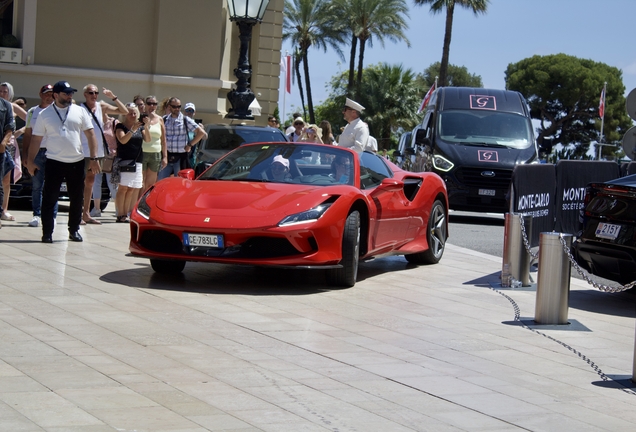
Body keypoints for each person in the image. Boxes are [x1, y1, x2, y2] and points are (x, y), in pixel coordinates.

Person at [26, 81, 101, 243]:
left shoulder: (79, 111)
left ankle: (74, 230)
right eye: (66, 93)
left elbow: (91, 135)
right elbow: (36, 139)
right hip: (54, 161)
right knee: (49, 198)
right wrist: (30, 161)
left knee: (76, 198)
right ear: (56, 95)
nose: (70, 96)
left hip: (76, 161)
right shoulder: (45, 115)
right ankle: (47, 233)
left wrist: (94, 158)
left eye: (71, 93)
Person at [80, 84, 128, 223]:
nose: (94, 95)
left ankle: (86, 213)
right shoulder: (79, 109)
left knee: (90, 181)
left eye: (96, 93)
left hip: (98, 151)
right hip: (81, 151)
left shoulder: (101, 107)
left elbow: (123, 111)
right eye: (90, 93)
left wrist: (113, 97)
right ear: (85, 94)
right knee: (79, 183)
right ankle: (78, 214)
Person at [22, 84, 56, 227]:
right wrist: (25, 155)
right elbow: (28, 134)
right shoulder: (32, 112)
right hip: (37, 152)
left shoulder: (57, 111)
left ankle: (51, 215)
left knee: (53, 185)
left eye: (51, 94)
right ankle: (37, 214)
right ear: (41, 95)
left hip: (53, 152)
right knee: (37, 185)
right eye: (46, 93)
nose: (49, 96)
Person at [113, 103, 150, 222]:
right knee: (123, 188)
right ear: (125, 114)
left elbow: (148, 140)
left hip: (138, 161)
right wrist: (132, 130)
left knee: (133, 188)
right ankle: (120, 214)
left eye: (135, 113)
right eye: (130, 113)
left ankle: (127, 213)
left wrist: (147, 126)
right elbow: (123, 140)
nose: (133, 115)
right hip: (125, 161)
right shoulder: (120, 126)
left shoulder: (140, 127)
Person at [157, 97, 206, 180]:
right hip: (167, 156)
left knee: (180, 182)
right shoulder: (164, 119)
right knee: (161, 181)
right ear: (169, 107)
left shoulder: (185, 120)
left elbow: (201, 133)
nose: (177, 109)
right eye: (174, 107)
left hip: (181, 157)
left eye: (179, 107)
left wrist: (190, 144)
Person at [0, 82, 27, 222]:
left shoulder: (12, 106)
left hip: (8, 146)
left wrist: (19, 132)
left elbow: (31, 120)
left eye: (5, 91)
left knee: (6, 180)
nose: (3, 93)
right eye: (1, 91)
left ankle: (4, 210)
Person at [91, 108, 119, 215]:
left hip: (111, 157)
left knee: (112, 184)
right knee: (96, 183)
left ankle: (118, 209)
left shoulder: (113, 123)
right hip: (97, 156)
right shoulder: (94, 122)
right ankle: (96, 208)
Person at [139, 95, 166, 197]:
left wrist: (165, 156)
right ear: (145, 105)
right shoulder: (141, 118)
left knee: (150, 183)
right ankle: (137, 204)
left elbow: (163, 140)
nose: (152, 106)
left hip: (155, 153)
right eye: (149, 103)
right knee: (140, 182)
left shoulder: (160, 119)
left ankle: (146, 203)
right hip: (142, 152)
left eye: (154, 104)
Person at [0, 95, 14, 229]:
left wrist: (4, 143)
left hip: (0, 150)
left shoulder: (6, 105)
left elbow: (10, 126)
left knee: (1, 183)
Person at [183, 102, 206, 169]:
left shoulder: (196, 125)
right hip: (180, 154)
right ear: (184, 112)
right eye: (187, 110)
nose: (189, 112)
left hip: (191, 156)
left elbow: (205, 137)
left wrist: (202, 130)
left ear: (194, 112)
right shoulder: (180, 122)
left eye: (191, 110)